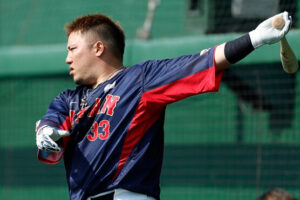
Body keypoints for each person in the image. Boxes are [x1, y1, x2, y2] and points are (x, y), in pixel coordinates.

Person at [35, 11, 291, 200]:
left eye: (72, 48)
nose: (67, 58)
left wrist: (255, 38)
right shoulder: (68, 99)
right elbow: (53, 124)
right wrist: (46, 132)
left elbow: (204, 61)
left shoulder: (141, 79)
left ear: (98, 48)